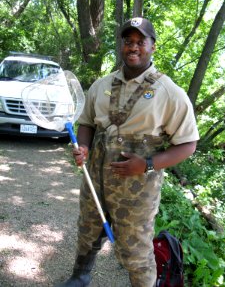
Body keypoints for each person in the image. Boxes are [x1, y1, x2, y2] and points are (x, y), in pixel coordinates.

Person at [58, 17, 199, 287]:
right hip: (96, 179)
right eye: (127, 41)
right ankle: (80, 276)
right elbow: (86, 122)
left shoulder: (170, 93)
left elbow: (188, 144)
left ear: (152, 47)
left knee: (136, 248)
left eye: (140, 41)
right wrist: (84, 147)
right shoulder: (102, 85)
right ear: (121, 46)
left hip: (137, 189)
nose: (133, 47)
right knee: (88, 229)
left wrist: (146, 163)